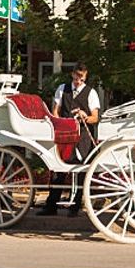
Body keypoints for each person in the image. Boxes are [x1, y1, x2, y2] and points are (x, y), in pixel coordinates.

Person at [37, 64, 100, 216]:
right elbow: (55, 111)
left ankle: (76, 207)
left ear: (85, 77)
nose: (78, 81)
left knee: (81, 170)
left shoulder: (91, 93)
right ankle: (51, 205)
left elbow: (95, 117)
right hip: (65, 133)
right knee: (58, 168)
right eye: (77, 77)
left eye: (82, 78)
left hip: (83, 135)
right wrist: (59, 124)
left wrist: (85, 116)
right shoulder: (62, 88)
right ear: (72, 74)